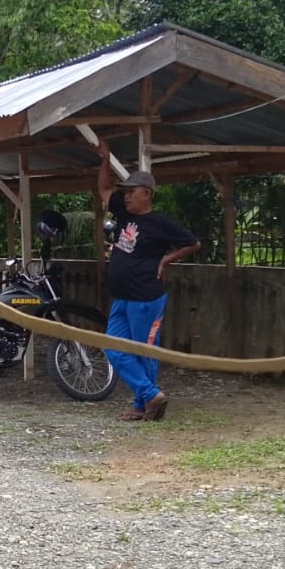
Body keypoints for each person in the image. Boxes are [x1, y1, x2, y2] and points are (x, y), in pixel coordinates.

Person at [103, 170, 200, 422]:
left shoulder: (160, 222)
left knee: (144, 352)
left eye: (131, 192)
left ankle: (143, 405)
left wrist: (166, 260)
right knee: (113, 348)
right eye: (125, 192)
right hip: (121, 297)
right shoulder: (123, 215)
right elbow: (103, 188)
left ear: (146, 193)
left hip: (145, 298)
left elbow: (192, 243)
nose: (126, 197)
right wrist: (104, 158)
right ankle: (150, 395)